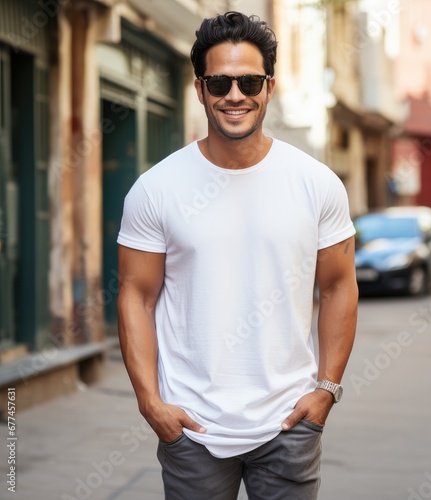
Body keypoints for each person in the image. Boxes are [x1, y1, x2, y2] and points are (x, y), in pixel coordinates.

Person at [117, 11, 358, 500]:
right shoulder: (157, 189)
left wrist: (326, 389)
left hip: (289, 424)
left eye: (248, 81)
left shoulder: (315, 184)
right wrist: (151, 404)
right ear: (200, 88)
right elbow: (135, 296)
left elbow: (337, 287)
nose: (234, 95)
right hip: (192, 430)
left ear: (269, 86)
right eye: (219, 82)